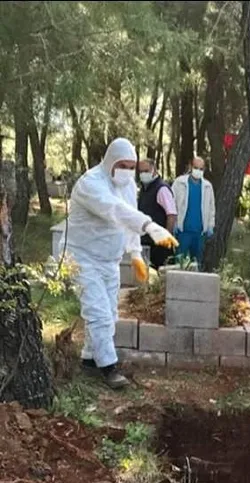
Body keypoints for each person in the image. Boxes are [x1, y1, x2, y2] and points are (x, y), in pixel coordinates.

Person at [67, 138, 177, 390]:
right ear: (110, 161)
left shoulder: (126, 184)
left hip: (110, 260)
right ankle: (109, 367)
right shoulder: (90, 184)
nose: (128, 170)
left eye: (132, 166)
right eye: (123, 164)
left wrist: (136, 253)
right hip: (84, 257)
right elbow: (115, 210)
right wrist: (150, 225)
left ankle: (88, 359)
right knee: (98, 313)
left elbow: (127, 219)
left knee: (110, 314)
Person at [172, 156, 216, 265]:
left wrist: (210, 226)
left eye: (201, 169)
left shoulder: (207, 186)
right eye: (196, 168)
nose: (198, 171)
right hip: (183, 231)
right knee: (179, 263)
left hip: (200, 232)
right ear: (191, 167)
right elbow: (172, 204)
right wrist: (174, 223)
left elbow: (211, 208)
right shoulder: (179, 182)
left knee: (196, 264)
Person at [138, 159, 177, 269]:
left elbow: (171, 215)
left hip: (159, 244)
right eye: (140, 171)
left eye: (146, 171)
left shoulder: (161, 189)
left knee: (161, 275)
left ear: (153, 170)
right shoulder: (144, 189)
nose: (143, 174)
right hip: (146, 242)